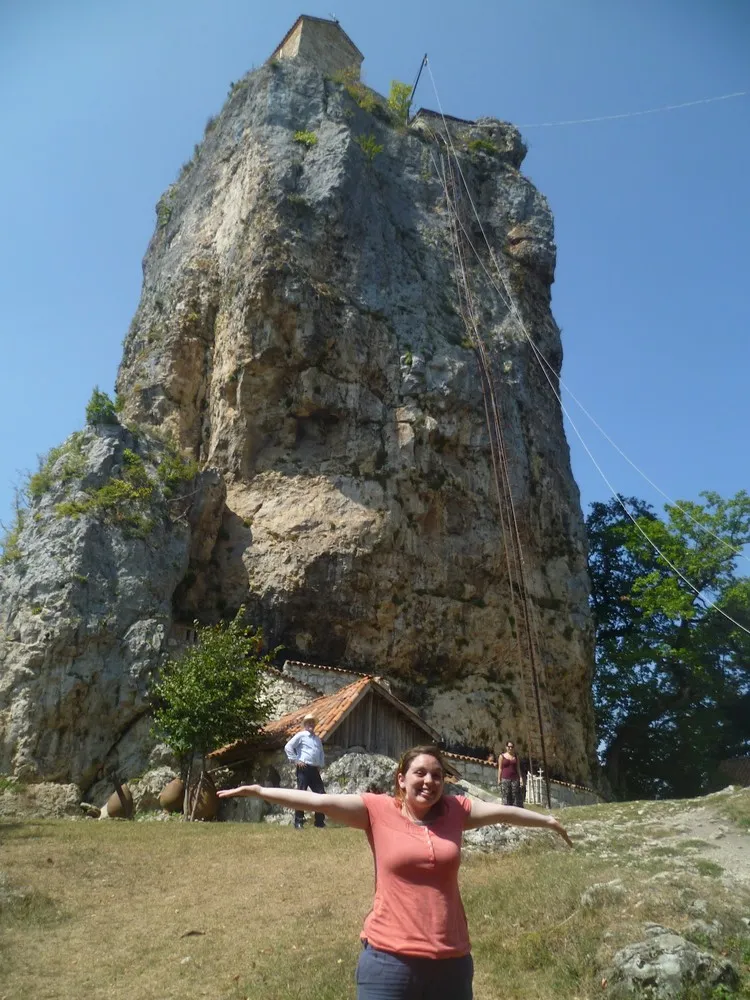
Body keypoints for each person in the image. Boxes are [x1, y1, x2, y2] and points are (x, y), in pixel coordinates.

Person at [218, 744, 572, 999]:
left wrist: (547, 821)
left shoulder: (456, 810)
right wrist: (260, 791)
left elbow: (505, 812)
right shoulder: (377, 810)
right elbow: (318, 801)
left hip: (451, 962)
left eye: (437, 775)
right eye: (420, 773)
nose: (430, 781)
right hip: (389, 962)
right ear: (401, 779)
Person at [284, 712, 326, 829]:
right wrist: (296, 760)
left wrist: (320, 765)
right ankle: (298, 822)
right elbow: (288, 747)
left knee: (321, 794)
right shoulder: (301, 735)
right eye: (309, 722)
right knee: (301, 794)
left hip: (314, 769)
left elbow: (321, 753)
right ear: (305, 724)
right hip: (303, 768)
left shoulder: (317, 739)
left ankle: (319, 822)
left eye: (312, 722)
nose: (311, 724)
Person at [498, 739, 524, 807]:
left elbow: (518, 768)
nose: (510, 748)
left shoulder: (516, 757)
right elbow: (500, 768)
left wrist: (520, 778)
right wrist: (499, 779)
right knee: (505, 797)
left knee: (515, 797)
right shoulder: (502, 756)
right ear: (506, 747)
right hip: (505, 779)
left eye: (512, 747)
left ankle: (514, 811)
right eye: (509, 746)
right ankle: (505, 811)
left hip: (515, 780)